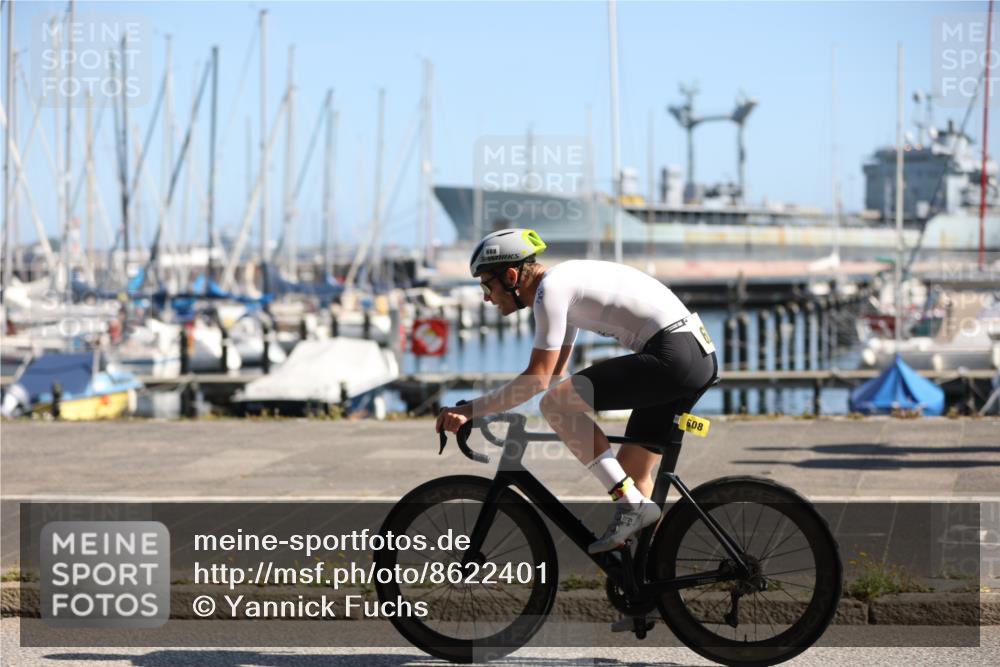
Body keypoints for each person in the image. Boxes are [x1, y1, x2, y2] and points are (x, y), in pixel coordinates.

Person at [436, 228, 718, 554]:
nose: (486, 297)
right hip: (694, 356)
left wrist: (470, 410)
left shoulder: (551, 290)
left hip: (674, 356)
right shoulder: (561, 285)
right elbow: (555, 373)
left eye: (487, 285)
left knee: (555, 406)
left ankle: (630, 504)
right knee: (632, 471)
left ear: (511, 276)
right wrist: (491, 409)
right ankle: (652, 571)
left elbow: (538, 380)